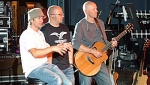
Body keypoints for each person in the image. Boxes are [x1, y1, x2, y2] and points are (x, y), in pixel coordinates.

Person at [19, 8, 72, 85]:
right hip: (33, 69)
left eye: (42, 18)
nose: (42, 20)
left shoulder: (40, 34)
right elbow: (35, 53)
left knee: (68, 83)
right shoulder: (27, 35)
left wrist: (59, 46)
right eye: (39, 18)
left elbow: (48, 49)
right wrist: (53, 48)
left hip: (46, 65)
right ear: (31, 20)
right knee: (56, 80)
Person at [72, 1, 118, 85]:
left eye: (96, 8)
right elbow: (75, 43)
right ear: (86, 11)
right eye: (93, 9)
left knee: (108, 83)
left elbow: (104, 41)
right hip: (86, 61)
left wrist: (111, 44)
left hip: (99, 60)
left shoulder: (100, 23)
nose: (96, 11)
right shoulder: (80, 25)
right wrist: (92, 51)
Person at [40, 5, 75, 85]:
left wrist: (71, 64)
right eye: (60, 14)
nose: (63, 16)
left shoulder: (64, 27)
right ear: (52, 16)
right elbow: (45, 49)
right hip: (54, 67)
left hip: (67, 67)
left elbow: (70, 46)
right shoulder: (44, 29)